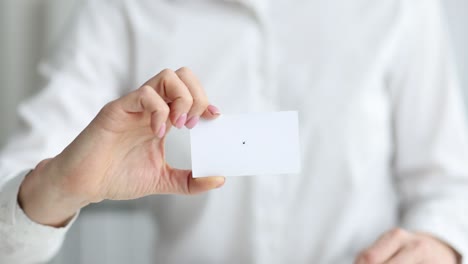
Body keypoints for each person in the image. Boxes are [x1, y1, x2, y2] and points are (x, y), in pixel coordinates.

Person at [1, 0, 467, 263]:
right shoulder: (121, 9)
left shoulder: (399, 9)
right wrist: (60, 188)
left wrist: (440, 247)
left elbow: (449, 184)